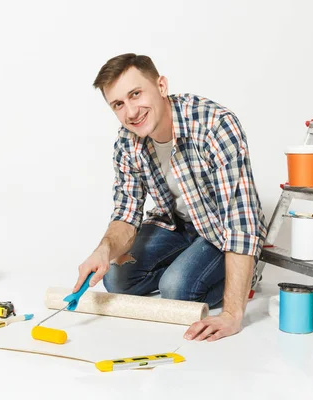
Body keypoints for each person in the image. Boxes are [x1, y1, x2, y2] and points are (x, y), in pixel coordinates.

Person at [72, 53, 268, 342]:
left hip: (220, 229)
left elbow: (240, 222)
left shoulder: (215, 124)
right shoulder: (127, 141)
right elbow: (126, 214)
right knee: (116, 277)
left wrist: (232, 314)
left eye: (136, 94)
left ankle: (246, 274)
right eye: (118, 104)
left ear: (161, 86)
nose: (131, 112)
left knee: (177, 290)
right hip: (177, 226)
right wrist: (103, 250)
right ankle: (187, 267)